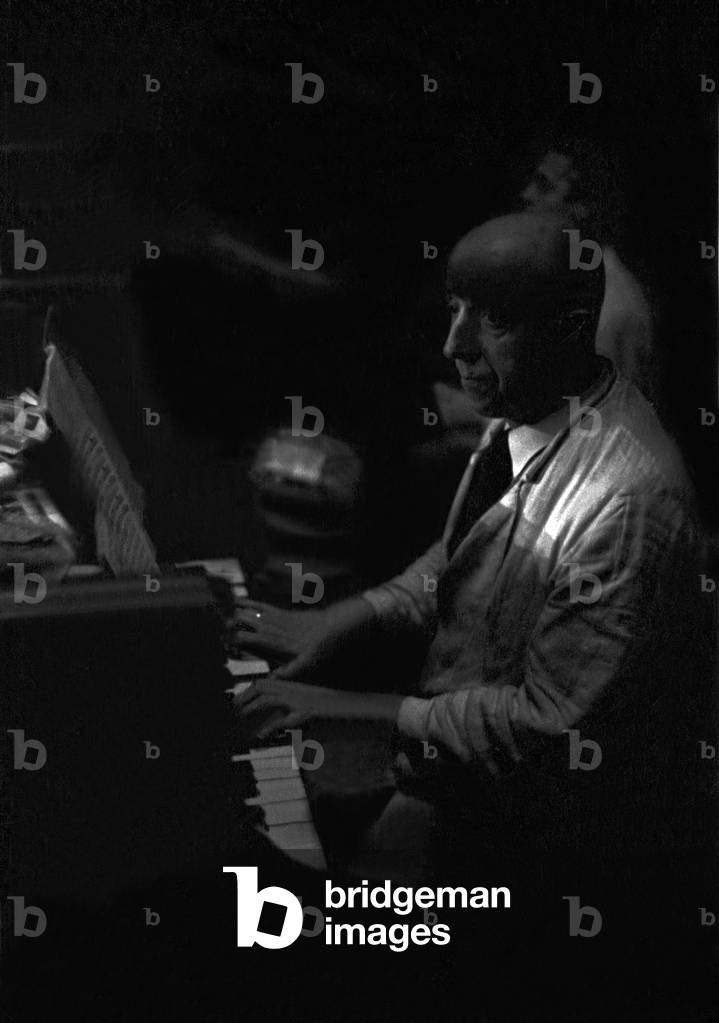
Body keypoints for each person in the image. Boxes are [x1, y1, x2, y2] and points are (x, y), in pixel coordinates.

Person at [231, 211, 705, 1002]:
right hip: (460, 797)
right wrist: (342, 620)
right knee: (256, 880)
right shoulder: (530, 411)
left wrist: (349, 712)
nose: (455, 344)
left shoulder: (625, 501)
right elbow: (457, 564)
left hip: (538, 868)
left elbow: (549, 727)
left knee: (274, 935)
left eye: (495, 320)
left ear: (571, 327)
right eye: (455, 309)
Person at [520, 142, 658, 404]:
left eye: (544, 186)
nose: (527, 195)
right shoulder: (570, 288)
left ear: (582, 207)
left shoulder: (609, 308)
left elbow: (591, 422)